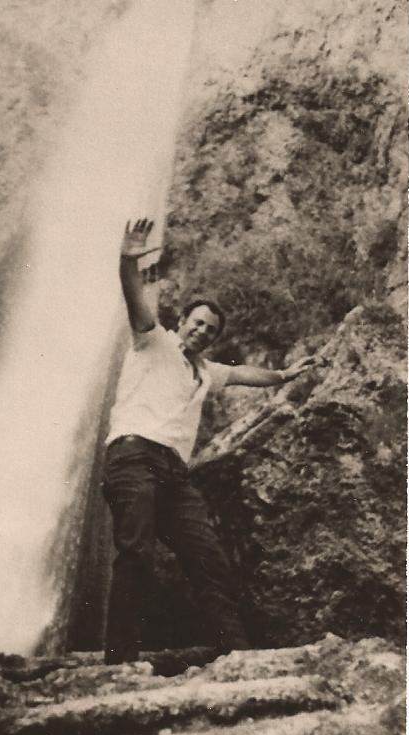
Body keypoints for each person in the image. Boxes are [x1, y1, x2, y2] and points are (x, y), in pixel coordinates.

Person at [101, 218, 315, 665]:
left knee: (209, 560)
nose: (201, 332)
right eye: (197, 324)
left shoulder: (206, 371)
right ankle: (119, 663)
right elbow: (134, 299)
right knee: (136, 553)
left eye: (210, 331)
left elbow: (242, 374)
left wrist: (282, 376)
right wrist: (127, 259)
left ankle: (238, 655)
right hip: (133, 456)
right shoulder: (152, 342)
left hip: (173, 473)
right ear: (182, 322)